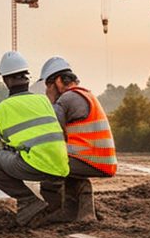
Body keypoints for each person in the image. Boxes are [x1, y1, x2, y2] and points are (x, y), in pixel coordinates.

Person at [0, 51, 69, 227]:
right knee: (31, 154)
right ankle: (54, 199)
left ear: (5, 80)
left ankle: (27, 200)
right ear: (27, 78)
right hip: (60, 165)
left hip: (33, 165)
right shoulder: (44, 101)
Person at [38, 56, 117, 222]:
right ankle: (76, 211)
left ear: (58, 82)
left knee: (47, 165)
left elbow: (50, 132)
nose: (47, 91)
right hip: (101, 159)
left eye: (48, 86)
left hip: (90, 159)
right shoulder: (86, 94)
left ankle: (58, 210)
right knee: (64, 166)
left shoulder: (67, 99)